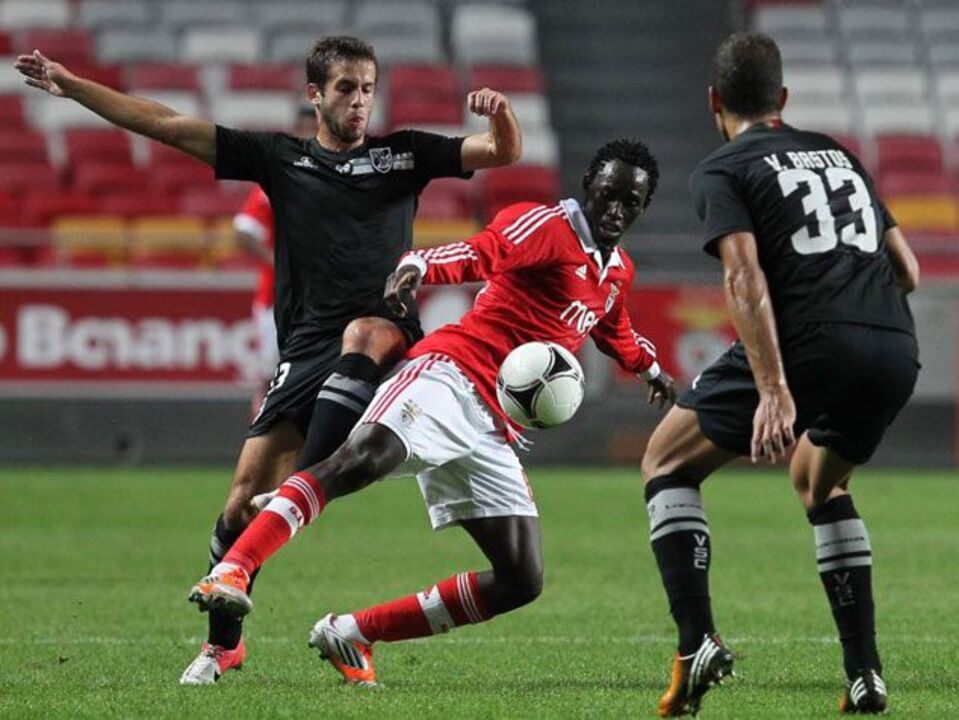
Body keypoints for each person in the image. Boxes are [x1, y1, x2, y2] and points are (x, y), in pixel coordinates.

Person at [14, 36, 522, 685]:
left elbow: (501, 151)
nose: (359, 100)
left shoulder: (404, 153)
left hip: (386, 334)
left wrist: (499, 114)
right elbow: (166, 124)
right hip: (306, 347)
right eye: (345, 88)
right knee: (236, 506)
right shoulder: (279, 158)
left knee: (365, 334)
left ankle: (304, 488)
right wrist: (72, 85)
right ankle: (223, 644)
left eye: (367, 88)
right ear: (314, 93)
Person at [186, 138, 677, 687]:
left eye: (629, 202)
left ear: (643, 205)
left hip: (495, 426)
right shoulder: (547, 227)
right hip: (452, 373)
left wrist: (651, 370)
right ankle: (236, 567)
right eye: (608, 194)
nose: (615, 210)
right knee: (362, 457)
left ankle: (352, 632)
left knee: (521, 578)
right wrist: (421, 262)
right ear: (589, 184)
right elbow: (481, 251)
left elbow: (613, 327)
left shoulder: (616, 271)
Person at [640, 32, 920, 717]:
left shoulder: (724, 167)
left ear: (713, 102)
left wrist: (773, 388)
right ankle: (864, 674)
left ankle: (695, 639)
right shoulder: (839, 153)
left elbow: (742, 274)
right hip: (893, 345)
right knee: (817, 480)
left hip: (809, 341)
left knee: (664, 462)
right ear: (783, 100)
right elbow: (908, 271)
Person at [234, 106, 318, 416]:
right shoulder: (277, 181)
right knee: (270, 374)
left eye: (314, 129)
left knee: (313, 372)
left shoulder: (336, 179)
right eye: (304, 130)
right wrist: (278, 262)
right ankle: (260, 437)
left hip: (320, 297)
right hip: (277, 297)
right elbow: (243, 231)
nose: (309, 136)